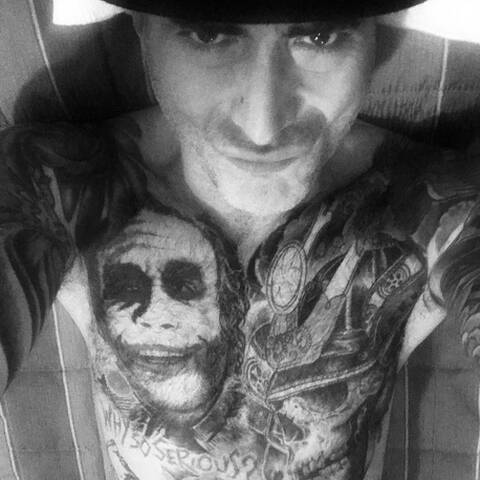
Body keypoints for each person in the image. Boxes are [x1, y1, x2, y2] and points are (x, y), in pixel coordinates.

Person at [0, 0, 479, 479]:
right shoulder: (56, 185)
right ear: (141, 25)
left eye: (320, 37)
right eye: (209, 35)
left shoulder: (432, 204)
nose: (263, 128)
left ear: (375, 34)